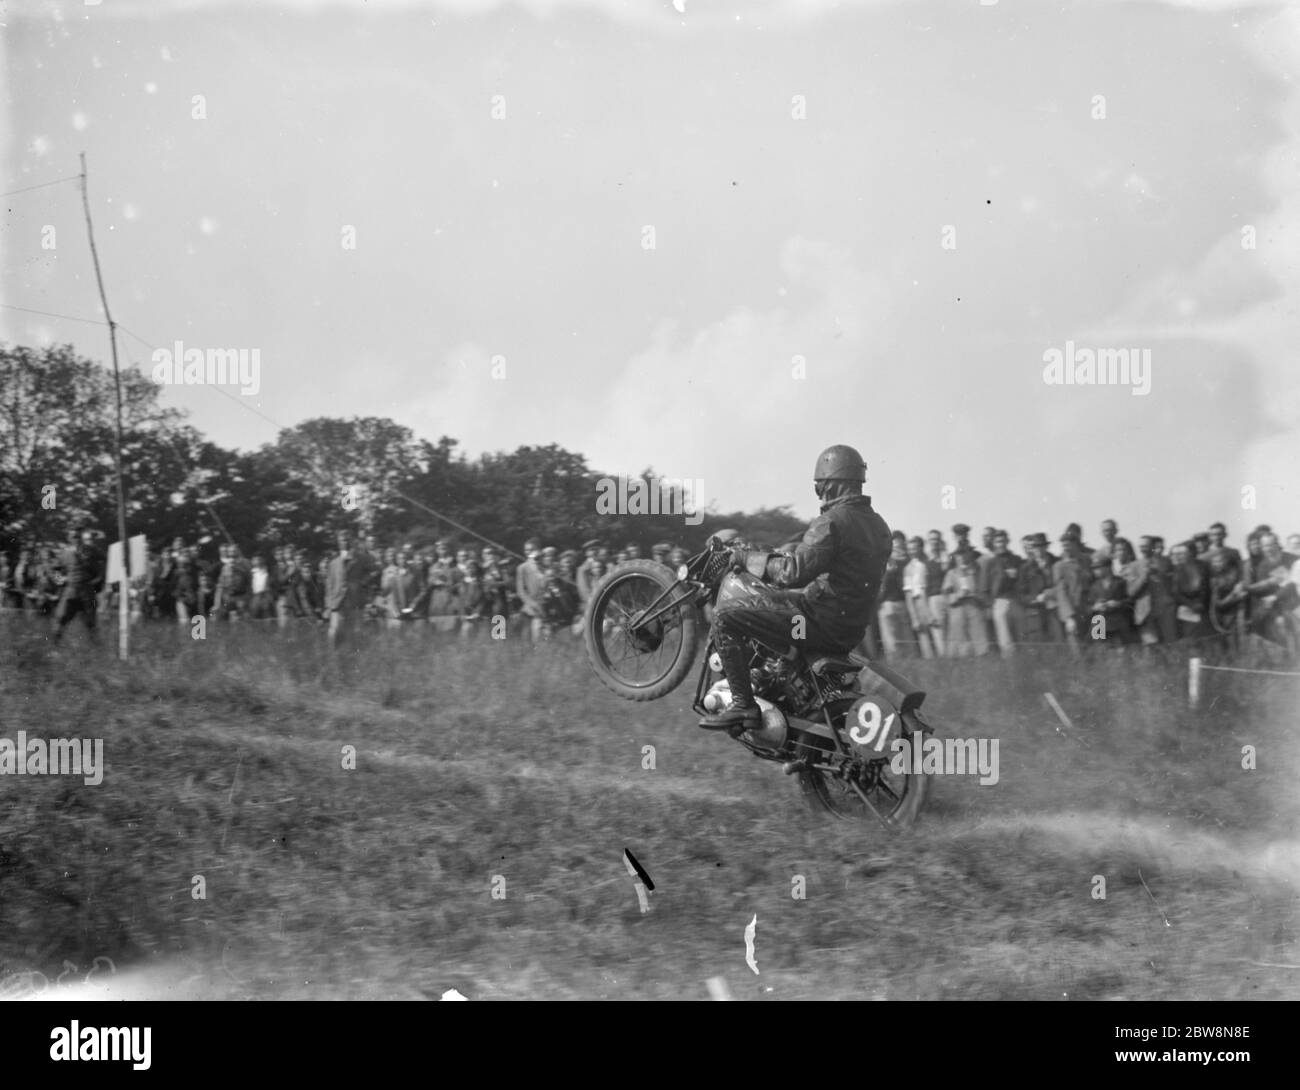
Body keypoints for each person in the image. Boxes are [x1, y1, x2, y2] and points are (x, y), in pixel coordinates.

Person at [698, 444, 892, 731]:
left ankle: (744, 706)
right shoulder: (880, 526)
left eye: (819, 487)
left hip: (817, 619)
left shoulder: (832, 522)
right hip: (849, 628)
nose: (820, 494)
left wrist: (745, 557)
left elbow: (792, 572)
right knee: (773, 603)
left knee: (726, 618)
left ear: (832, 483)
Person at [51, 527, 104, 642]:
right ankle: (54, 646)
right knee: (61, 618)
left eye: (78, 536)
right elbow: (56, 570)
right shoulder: (64, 553)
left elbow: (103, 560)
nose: (76, 539)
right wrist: (60, 581)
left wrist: (99, 577)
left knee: (91, 621)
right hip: (71, 591)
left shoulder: (91, 549)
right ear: (69, 538)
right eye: (73, 537)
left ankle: (96, 650)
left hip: (87, 590)